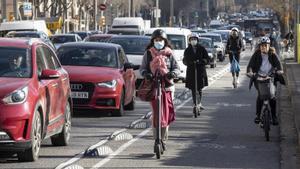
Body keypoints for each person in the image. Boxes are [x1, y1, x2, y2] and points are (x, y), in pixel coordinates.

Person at [139, 29, 180, 151]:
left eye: (161, 40)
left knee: (166, 114)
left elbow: (177, 68)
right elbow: (142, 69)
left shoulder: (169, 54)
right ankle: (156, 139)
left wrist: (172, 74)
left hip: (167, 87)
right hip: (153, 88)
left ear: (165, 41)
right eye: (156, 40)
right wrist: (146, 74)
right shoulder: (148, 53)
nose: (158, 42)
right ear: (153, 41)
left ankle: (163, 138)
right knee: (157, 114)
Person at [246, 36, 285, 126]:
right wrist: (250, 73)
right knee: (260, 96)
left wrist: (279, 72)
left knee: (272, 97)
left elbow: (279, 66)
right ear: (259, 46)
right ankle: (258, 116)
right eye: (262, 45)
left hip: (271, 77)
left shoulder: (273, 54)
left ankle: (274, 116)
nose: (263, 47)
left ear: (269, 46)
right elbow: (250, 66)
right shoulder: (256, 55)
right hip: (259, 78)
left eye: (265, 45)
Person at [183, 33, 209, 114]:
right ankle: (195, 103)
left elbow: (207, 58)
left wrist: (201, 61)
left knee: (199, 88)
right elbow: (185, 60)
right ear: (189, 41)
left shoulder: (202, 48)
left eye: (195, 39)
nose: (193, 41)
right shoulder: (187, 50)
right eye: (191, 39)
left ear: (197, 40)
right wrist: (189, 62)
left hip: (200, 71)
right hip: (191, 72)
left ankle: (199, 102)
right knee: (193, 89)